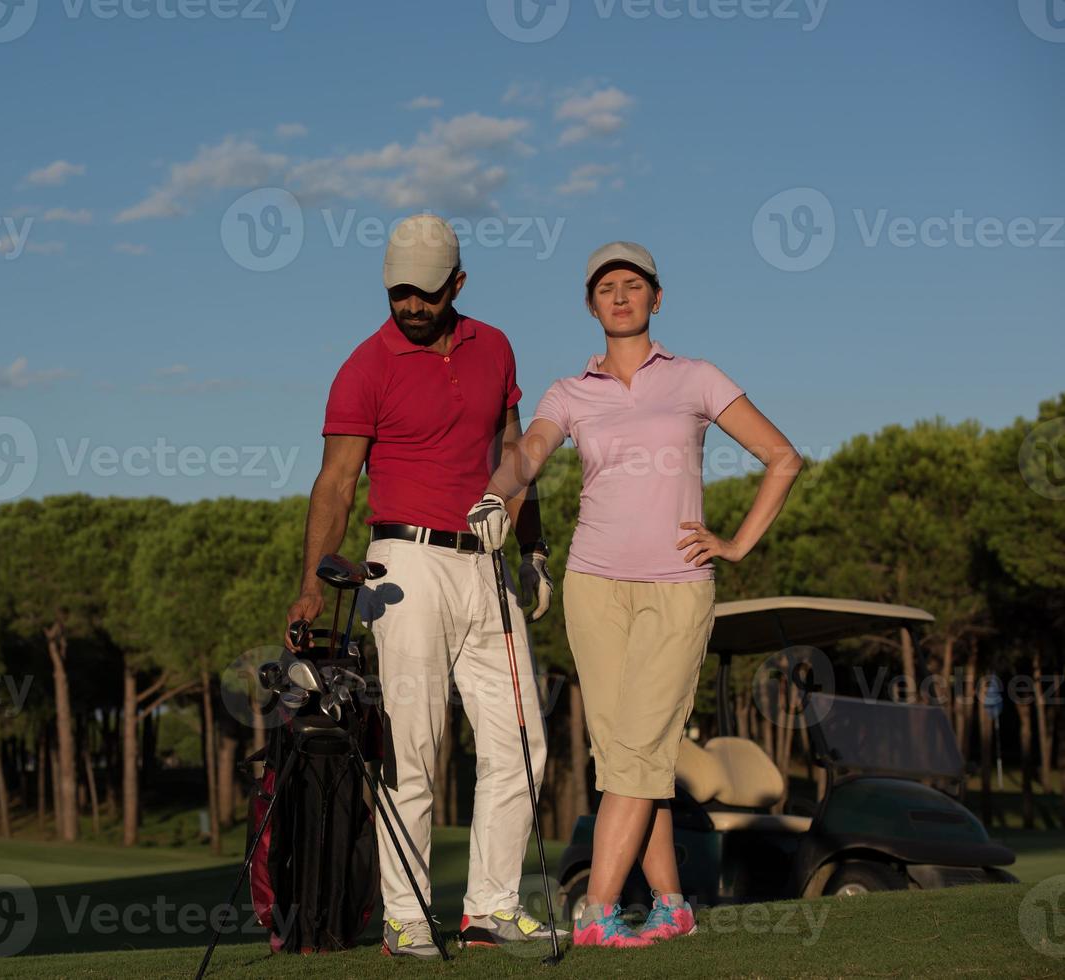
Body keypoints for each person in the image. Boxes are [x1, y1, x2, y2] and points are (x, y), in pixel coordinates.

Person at [468, 241, 803, 947]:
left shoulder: (696, 378)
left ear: (657, 297)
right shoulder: (568, 392)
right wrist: (497, 494)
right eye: (605, 288)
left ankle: (592, 913)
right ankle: (671, 905)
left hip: (677, 587)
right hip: (592, 586)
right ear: (590, 305)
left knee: (641, 746)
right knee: (623, 754)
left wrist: (735, 544)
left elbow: (782, 456)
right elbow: (528, 452)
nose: (619, 297)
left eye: (632, 285)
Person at [286, 214, 561, 958]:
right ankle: (406, 917)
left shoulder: (494, 346)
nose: (409, 306)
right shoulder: (364, 365)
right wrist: (312, 581)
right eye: (396, 291)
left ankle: (489, 908)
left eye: (425, 293)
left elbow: (511, 450)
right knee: (414, 750)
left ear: (458, 284)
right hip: (402, 568)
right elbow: (337, 480)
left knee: (523, 744)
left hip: (487, 562)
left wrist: (530, 544)